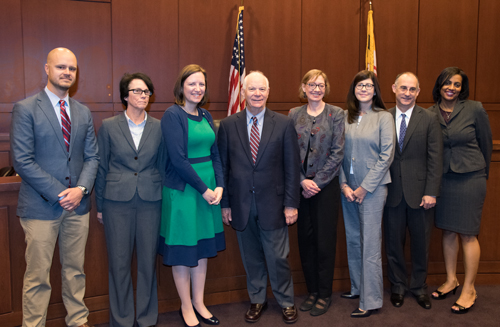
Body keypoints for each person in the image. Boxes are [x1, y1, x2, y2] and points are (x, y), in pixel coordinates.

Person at [10, 47, 99, 327]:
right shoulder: (25, 109)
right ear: (47, 69)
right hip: (40, 206)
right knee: (37, 276)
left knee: (75, 270)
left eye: (71, 69)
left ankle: (78, 320)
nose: (67, 73)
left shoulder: (83, 112)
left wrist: (81, 190)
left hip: (78, 206)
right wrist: (62, 194)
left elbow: (92, 157)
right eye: (61, 67)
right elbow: (22, 161)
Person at [218, 71, 301, 324]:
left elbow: (292, 167)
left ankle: (286, 301)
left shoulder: (284, 123)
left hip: (274, 204)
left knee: (278, 258)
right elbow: (223, 167)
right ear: (243, 92)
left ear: (268, 92)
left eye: (261, 90)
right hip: (241, 204)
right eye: (252, 89)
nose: (257, 94)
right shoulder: (229, 124)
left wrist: (291, 204)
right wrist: (226, 204)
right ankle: (257, 299)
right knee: (251, 257)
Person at [95, 73, 164, 327]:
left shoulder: (158, 126)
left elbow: (163, 165)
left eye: (146, 92)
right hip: (116, 203)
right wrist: (100, 206)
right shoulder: (109, 126)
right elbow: (101, 168)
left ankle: (146, 318)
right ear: (125, 96)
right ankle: (121, 320)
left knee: (148, 262)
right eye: (137, 91)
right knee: (119, 263)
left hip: (150, 200)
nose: (142, 96)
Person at [159, 64, 225, 327]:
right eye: (192, 84)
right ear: (181, 87)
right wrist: (205, 189)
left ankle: (199, 302)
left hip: (209, 189)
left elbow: (215, 154)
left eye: (201, 84)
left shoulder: (207, 115)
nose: (198, 88)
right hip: (185, 191)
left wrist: (219, 186)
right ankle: (186, 306)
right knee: (184, 250)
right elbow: (178, 160)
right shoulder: (172, 115)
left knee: (201, 250)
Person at [428, 67, 492, 314]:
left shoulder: (474, 108)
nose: (451, 88)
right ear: (439, 85)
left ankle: (469, 288)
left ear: (461, 88)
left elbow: (486, 144)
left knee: (467, 234)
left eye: (456, 84)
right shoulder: (430, 112)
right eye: (447, 83)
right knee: (447, 231)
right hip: (443, 179)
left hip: (471, 178)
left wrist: (481, 174)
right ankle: (451, 279)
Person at [383, 72, 443, 310]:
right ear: (394, 88)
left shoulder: (429, 118)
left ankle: (419, 287)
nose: (407, 93)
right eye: (403, 88)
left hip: (421, 195)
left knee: (421, 243)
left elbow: (435, 159)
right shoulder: (383, 117)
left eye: (412, 89)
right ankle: (397, 286)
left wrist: (431, 192)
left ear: (418, 92)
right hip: (392, 194)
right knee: (393, 244)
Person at [288, 69, 344, 316]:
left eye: (321, 85)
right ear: (303, 87)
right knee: (306, 241)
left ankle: (324, 293)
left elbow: (337, 152)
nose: (316, 89)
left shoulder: (336, 114)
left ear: (326, 87)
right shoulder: (293, 114)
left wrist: (317, 182)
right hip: (300, 189)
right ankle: (311, 290)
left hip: (325, 188)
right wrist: (302, 180)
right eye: (312, 84)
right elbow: (288, 152)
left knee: (324, 242)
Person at [339, 70, 394, 318]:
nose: (364, 89)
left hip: (372, 190)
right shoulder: (345, 117)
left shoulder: (383, 117)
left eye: (368, 85)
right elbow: (337, 152)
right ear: (354, 89)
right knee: (353, 239)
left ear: (375, 90)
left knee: (370, 244)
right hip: (348, 189)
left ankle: (370, 300)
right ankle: (357, 288)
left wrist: (364, 187)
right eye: (359, 85)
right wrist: (344, 185)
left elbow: (386, 156)